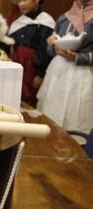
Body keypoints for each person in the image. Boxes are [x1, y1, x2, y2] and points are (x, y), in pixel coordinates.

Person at [37, 0, 93, 142]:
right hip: (58, 71)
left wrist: (80, 57)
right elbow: (51, 51)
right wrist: (51, 44)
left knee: (77, 117)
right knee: (52, 115)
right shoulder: (64, 17)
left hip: (84, 73)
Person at [8, 0, 55, 107]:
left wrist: (40, 74)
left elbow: (46, 50)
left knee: (29, 99)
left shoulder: (46, 22)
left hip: (32, 67)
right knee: (14, 96)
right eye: (19, 1)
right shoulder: (17, 23)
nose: (21, 4)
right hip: (17, 65)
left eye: (25, 0)